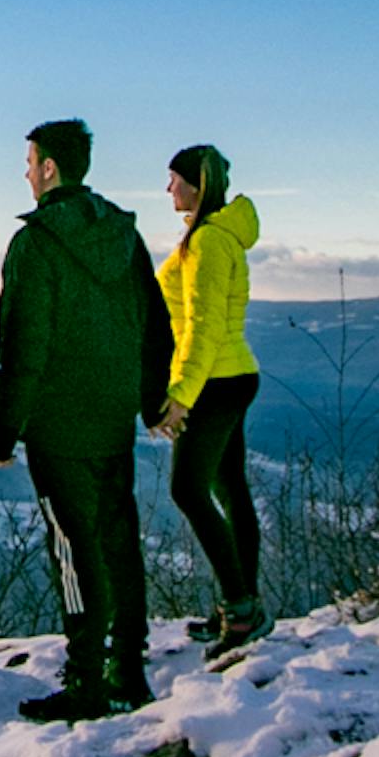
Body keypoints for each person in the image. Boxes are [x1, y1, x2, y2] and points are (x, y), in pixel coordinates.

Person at [0, 117, 174, 721]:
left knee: (73, 549)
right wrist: (150, 402)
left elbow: (23, 345)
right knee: (120, 541)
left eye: (30, 161)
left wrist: (3, 429)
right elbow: (156, 325)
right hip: (114, 417)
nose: (25, 172)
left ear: (48, 168)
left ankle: (87, 680)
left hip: (58, 426)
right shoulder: (123, 234)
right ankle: (130, 667)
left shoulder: (35, 242)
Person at [154, 143, 265, 651]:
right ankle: (242, 605)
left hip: (215, 383)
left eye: (174, 178)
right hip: (228, 376)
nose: (168, 188)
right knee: (229, 492)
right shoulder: (205, 238)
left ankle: (240, 611)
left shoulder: (209, 244)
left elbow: (204, 328)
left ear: (196, 183)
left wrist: (180, 395)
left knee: (188, 490)